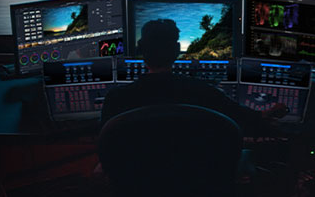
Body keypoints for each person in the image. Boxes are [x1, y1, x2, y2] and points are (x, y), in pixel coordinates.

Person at [101, 19, 288, 135]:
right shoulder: (204, 93)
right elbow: (247, 118)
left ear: (141, 50)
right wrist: (271, 111)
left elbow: (106, 144)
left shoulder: (116, 99)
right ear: (177, 51)